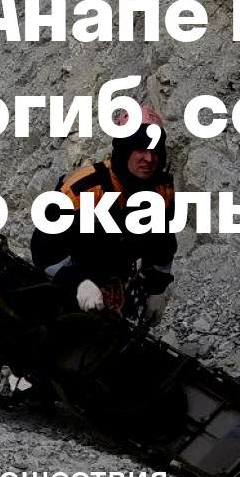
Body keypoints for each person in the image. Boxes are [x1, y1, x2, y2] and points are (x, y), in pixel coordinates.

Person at [30, 106, 177, 326]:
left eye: (155, 150)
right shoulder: (84, 190)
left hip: (116, 285)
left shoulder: (160, 194)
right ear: (124, 149)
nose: (149, 158)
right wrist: (78, 283)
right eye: (140, 148)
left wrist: (157, 290)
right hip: (70, 282)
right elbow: (44, 249)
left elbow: (161, 246)